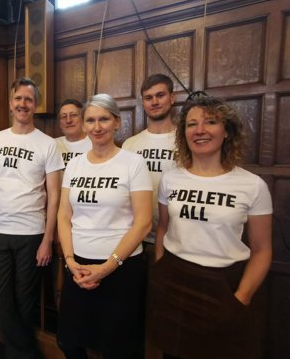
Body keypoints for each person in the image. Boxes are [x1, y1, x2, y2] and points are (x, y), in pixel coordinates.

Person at [150, 96, 273, 359]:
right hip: (174, 279)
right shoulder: (170, 179)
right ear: (184, 134)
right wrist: (160, 269)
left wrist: (241, 298)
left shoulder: (252, 186)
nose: (200, 130)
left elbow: (262, 250)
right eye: (192, 124)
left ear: (227, 131)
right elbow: (163, 228)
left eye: (211, 122)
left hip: (224, 286)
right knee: (171, 353)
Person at [57, 94, 153, 359]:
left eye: (103, 119)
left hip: (120, 268)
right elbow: (64, 215)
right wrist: (69, 260)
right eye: (90, 120)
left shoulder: (133, 163)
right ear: (84, 124)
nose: (96, 127)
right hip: (79, 266)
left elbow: (144, 223)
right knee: (68, 341)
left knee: (116, 348)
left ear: (117, 122)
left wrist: (107, 268)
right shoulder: (75, 164)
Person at [0, 77, 64, 359]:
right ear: (10, 103)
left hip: (31, 234)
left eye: (28, 99)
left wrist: (48, 238)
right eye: (18, 98)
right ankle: (29, 355)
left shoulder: (48, 144)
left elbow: (54, 195)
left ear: (36, 105)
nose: (23, 104)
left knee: (24, 303)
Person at [122, 74, 176, 245]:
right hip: (135, 236)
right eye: (148, 98)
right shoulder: (130, 145)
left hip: (176, 236)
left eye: (160, 95)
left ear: (172, 98)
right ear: (144, 103)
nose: (154, 102)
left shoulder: (187, 143)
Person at [56, 99, 92, 170]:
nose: (68, 120)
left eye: (73, 115)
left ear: (83, 119)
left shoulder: (95, 144)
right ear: (60, 123)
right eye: (64, 116)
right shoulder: (52, 145)